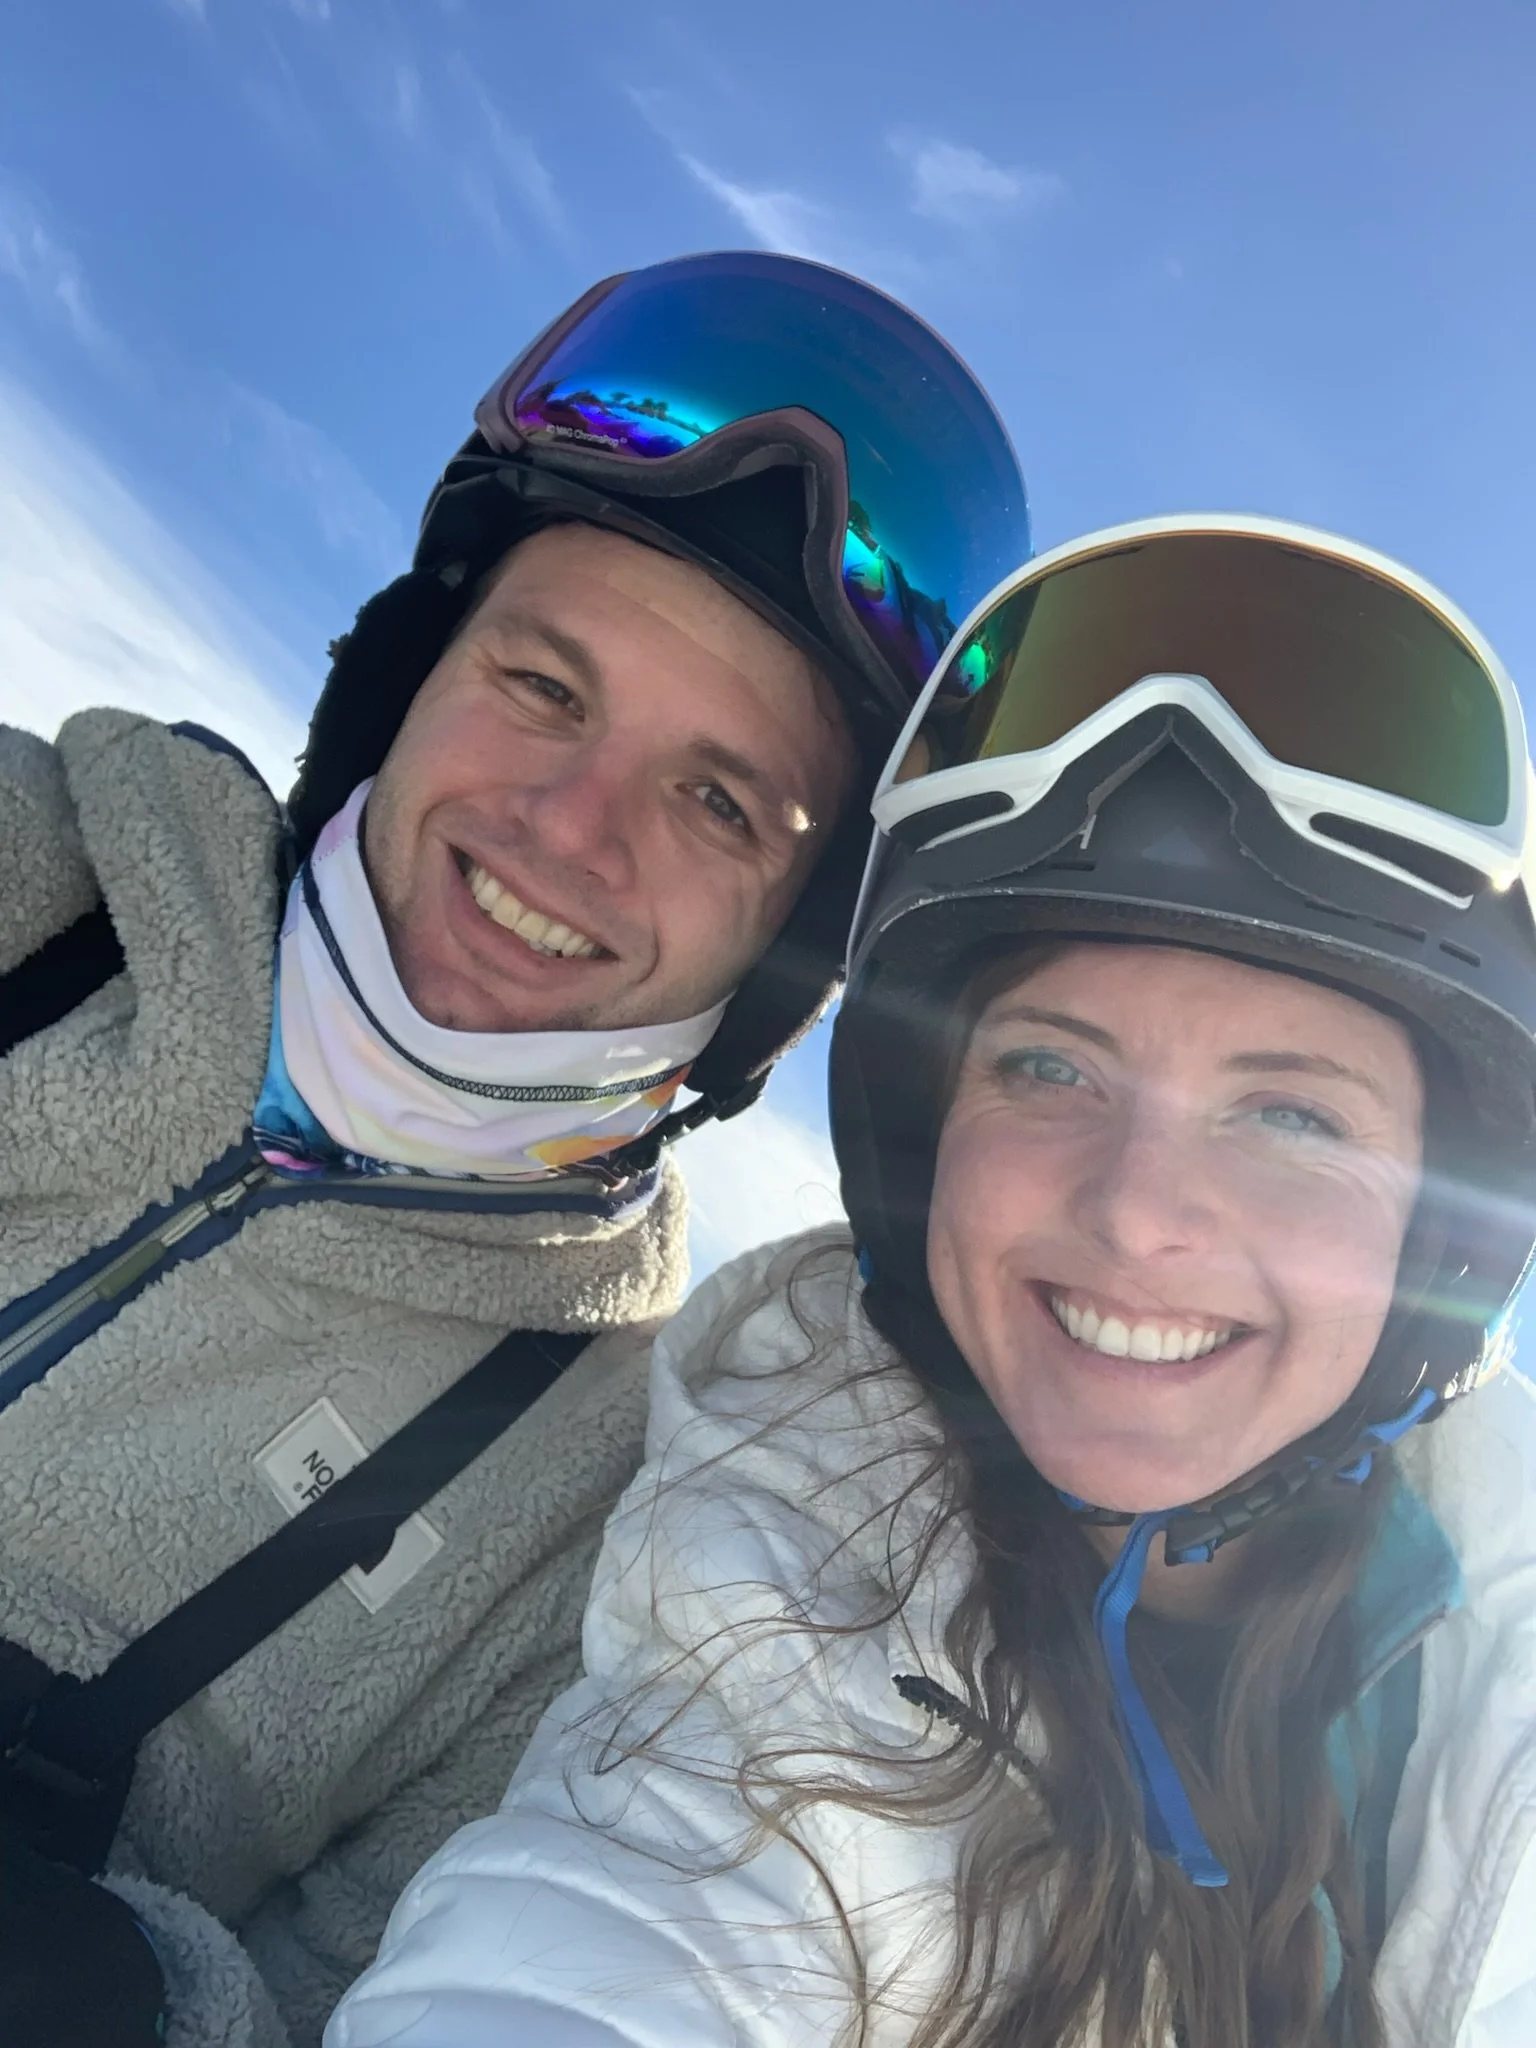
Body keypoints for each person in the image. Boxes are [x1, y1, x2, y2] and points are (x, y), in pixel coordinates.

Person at [0, 250, 1030, 2047]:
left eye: (716, 800)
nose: (566, 828)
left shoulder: (606, 1498)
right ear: (411, 674)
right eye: (545, 687)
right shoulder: (49, 872)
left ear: (786, 953)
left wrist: (114, 1990)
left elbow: (359, 1997)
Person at [330, 515, 1536, 2048]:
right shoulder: (783, 1575)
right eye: (1049, 1066)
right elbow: (619, 1924)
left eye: (1292, 1115)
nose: (1139, 1212)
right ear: (923, 1140)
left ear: (1441, 1239)